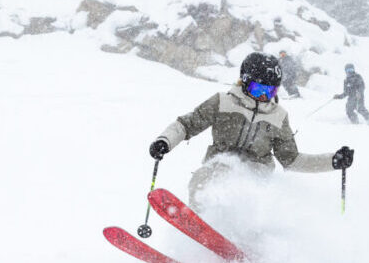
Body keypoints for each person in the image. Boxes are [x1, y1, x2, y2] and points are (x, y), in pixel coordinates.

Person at [149, 51, 353, 207]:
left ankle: (245, 239)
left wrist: (332, 161)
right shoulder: (222, 102)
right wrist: (165, 141)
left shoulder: (278, 116)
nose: (263, 97)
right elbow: (187, 125)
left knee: (245, 195)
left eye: (270, 91)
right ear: (244, 82)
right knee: (203, 179)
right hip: (218, 164)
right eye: (258, 89)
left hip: (256, 173)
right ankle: (199, 227)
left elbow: (291, 160)